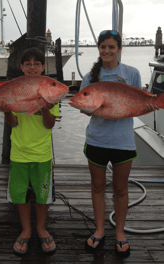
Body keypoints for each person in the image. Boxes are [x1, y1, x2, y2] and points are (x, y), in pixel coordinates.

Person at [80, 30, 158, 257]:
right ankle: (100, 230)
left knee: (121, 189)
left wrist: (150, 105)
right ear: (99, 49)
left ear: (120, 49)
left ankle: (120, 233)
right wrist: (89, 108)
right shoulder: (90, 77)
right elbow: (86, 110)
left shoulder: (131, 74)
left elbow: (139, 101)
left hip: (123, 141)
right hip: (97, 140)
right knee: (97, 187)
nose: (107, 51)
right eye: (103, 47)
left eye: (111, 47)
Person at [0, 47, 59, 254]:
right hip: (19, 153)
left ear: (43, 67)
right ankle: (26, 230)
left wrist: (45, 107)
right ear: (21, 67)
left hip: (43, 154)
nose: (32, 67)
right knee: (19, 195)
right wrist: (7, 110)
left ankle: (41, 228)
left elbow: (50, 125)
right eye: (27, 64)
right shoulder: (15, 88)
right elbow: (13, 123)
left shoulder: (49, 90)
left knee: (42, 194)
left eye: (36, 64)